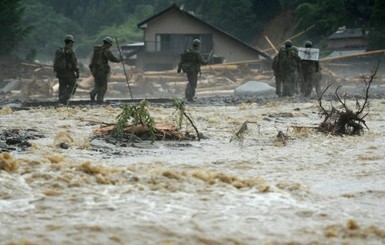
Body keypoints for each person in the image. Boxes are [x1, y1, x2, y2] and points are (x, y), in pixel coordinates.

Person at [89, 36, 121, 103]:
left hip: (95, 71)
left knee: (98, 85)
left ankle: (94, 95)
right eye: (110, 45)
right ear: (108, 44)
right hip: (102, 71)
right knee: (103, 86)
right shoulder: (106, 51)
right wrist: (119, 60)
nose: (110, 47)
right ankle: (99, 99)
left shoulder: (97, 50)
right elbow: (112, 59)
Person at [53, 34, 79, 104]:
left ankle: (61, 101)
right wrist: (77, 72)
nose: (72, 44)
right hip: (68, 72)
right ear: (70, 42)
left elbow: (56, 62)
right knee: (73, 84)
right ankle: (66, 97)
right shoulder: (71, 51)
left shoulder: (60, 51)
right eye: (72, 42)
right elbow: (74, 63)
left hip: (60, 72)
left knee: (62, 86)